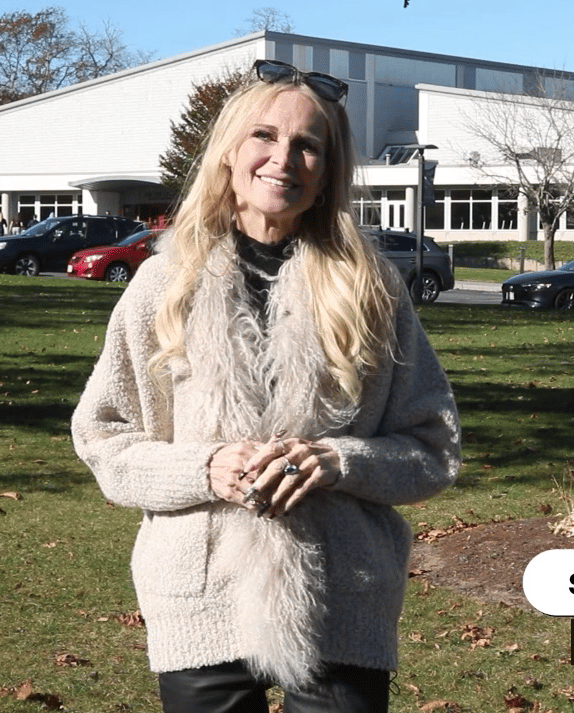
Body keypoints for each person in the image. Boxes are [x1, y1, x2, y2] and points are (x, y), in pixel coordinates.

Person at [71, 59, 462, 713]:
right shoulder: (162, 289)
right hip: (201, 596)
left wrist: (339, 461)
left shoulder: (371, 290)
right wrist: (207, 468)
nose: (285, 157)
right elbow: (104, 439)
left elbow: (433, 448)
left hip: (342, 597)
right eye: (265, 136)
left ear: (329, 172)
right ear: (228, 152)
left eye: (310, 144)